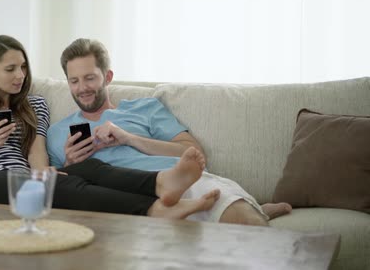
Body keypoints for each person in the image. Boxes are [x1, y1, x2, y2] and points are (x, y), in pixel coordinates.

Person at [0, 34, 221, 220]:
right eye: (10, 69)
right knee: (71, 186)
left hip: (25, 178)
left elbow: (36, 152)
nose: (20, 75)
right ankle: (154, 209)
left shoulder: (33, 105)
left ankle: (161, 182)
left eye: (23, 67)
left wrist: (44, 171)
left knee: (88, 168)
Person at [46, 38, 292, 225]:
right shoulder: (57, 133)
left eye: (89, 78)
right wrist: (69, 163)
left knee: (244, 223)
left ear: (108, 77)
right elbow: (60, 190)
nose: (82, 88)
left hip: (176, 179)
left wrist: (129, 138)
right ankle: (257, 207)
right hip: (122, 200)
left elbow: (193, 153)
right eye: (74, 80)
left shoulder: (144, 108)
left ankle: (250, 209)